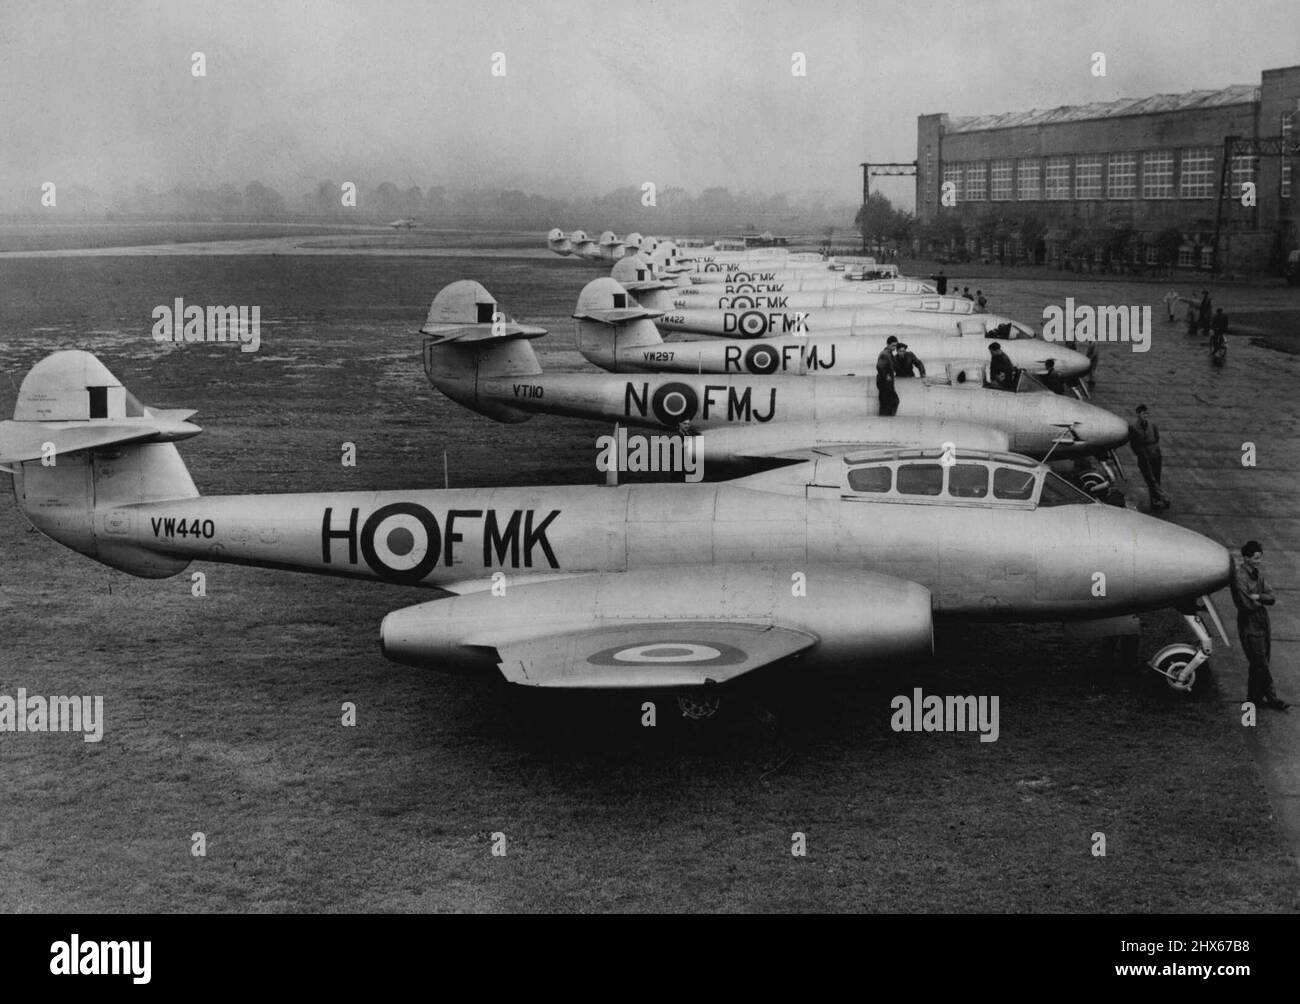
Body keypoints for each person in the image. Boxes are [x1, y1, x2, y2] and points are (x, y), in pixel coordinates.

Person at [1229, 541, 1289, 710]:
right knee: (1260, 662)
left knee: (1260, 661)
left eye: (1260, 558)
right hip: (1250, 623)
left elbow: (1272, 597)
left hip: (1262, 620)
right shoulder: (1240, 578)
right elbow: (1247, 604)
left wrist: (1259, 597)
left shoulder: (1256, 574)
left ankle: (1253, 698)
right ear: (1246, 558)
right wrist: (1260, 599)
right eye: (1255, 558)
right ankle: (1272, 698)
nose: (1258, 561)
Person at [1127, 404, 1170, 511]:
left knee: (1156, 478)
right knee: (1151, 480)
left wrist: (1154, 450)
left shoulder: (1152, 424)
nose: (1145, 415)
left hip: (1155, 454)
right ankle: (1162, 498)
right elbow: (1133, 445)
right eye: (1143, 413)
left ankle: (1156, 501)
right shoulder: (1133, 427)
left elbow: (1156, 437)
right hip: (1144, 457)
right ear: (1138, 414)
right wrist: (1141, 455)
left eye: (1146, 413)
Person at [876, 337, 900, 416]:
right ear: (888, 344)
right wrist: (886, 376)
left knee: (888, 403)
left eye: (895, 346)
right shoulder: (884, 354)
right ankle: (887, 421)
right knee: (892, 402)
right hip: (885, 384)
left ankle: (886, 420)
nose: (894, 348)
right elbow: (879, 366)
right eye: (893, 346)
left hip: (887, 384)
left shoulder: (889, 354)